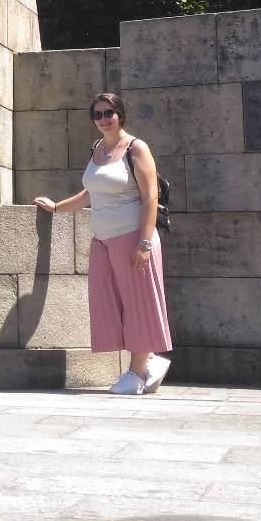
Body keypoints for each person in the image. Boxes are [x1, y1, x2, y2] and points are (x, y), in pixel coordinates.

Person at [33, 92, 172, 395]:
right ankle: (149, 360)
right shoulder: (97, 149)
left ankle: (136, 374)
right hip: (103, 240)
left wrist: (144, 243)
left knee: (138, 302)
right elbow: (90, 193)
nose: (104, 119)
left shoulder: (136, 148)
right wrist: (57, 207)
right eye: (97, 114)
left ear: (120, 114)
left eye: (109, 112)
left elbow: (151, 197)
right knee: (109, 302)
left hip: (133, 237)